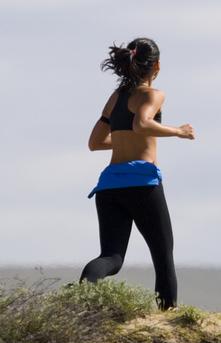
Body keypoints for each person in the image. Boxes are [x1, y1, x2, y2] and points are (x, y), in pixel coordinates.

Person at [79, 37, 195, 311]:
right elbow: (141, 123)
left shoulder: (116, 97)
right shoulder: (153, 95)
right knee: (163, 254)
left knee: (111, 258)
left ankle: (82, 295)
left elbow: (95, 143)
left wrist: (122, 141)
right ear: (156, 65)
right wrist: (179, 131)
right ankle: (168, 316)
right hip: (142, 184)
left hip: (109, 187)